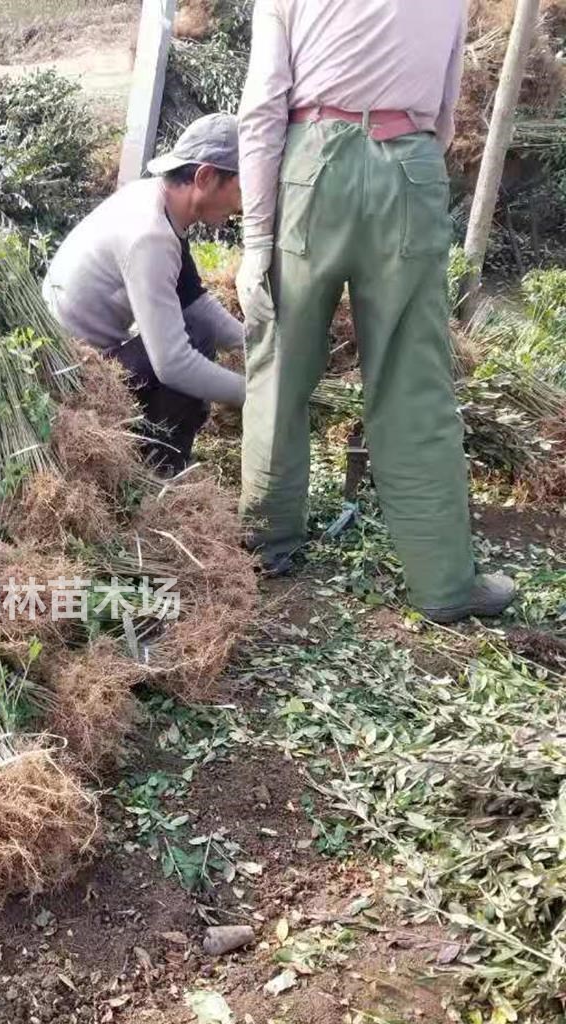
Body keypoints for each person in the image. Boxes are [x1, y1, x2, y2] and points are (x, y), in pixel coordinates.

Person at [237, 0, 516, 622]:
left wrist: (256, 239)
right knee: (412, 382)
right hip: (410, 168)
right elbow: (445, 115)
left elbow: (262, 107)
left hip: (313, 166)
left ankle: (264, 549)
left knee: (280, 366)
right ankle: (444, 584)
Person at [43, 113, 246, 475]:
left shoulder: (157, 200)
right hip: (72, 376)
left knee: (194, 328)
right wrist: (257, 396)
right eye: (241, 189)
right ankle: (157, 471)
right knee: (193, 343)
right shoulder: (150, 236)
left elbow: (194, 302)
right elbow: (173, 364)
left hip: (82, 358)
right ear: (205, 177)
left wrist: (260, 348)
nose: (241, 206)